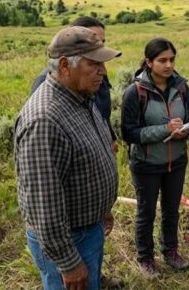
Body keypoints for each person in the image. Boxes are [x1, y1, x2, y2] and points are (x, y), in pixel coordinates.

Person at [15, 26, 122, 290]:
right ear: (65, 65)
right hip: (69, 240)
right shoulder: (45, 120)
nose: (103, 72)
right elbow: (44, 203)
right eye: (94, 64)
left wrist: (101, 210)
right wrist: (68, 262)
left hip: (88, 228)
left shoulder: (81, 98)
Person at [121, 38, 189, 277]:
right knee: (146, 213)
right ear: (148, 62)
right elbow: (129, 133)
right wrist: (164, 130)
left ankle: (170, 251)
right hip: (146, 165)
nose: (168, 65)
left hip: (176, 163)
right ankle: (145, 258)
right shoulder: (135, 92)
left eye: (172, 59)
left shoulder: (182, 87)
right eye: (162, 60)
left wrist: (186, 132)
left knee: (171, 210)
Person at [30, 16, 118, 153]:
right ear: (65, 66)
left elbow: (101, 114)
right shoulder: (42, 119)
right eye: (92, 61)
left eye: (102, 42)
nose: (103, 70)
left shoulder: (89, 81)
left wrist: (109, 137)